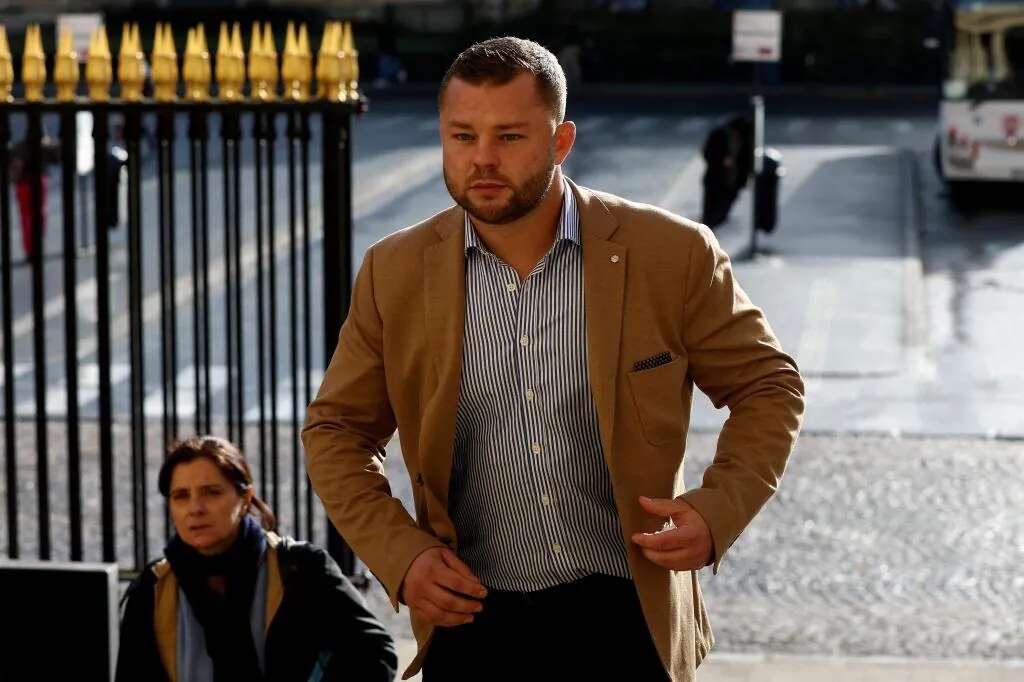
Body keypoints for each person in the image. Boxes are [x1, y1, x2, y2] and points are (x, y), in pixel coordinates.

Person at [303, 37, 804, 682]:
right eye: (461, 136)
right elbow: (336, 431)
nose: (482, 159)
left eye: (510, 137)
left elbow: (768, 385)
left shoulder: (670, 254)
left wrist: (718, 508)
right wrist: (400, 555)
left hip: (628, 617)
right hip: (473, 620)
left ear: (562, 141)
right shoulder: (393, 271)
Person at [115, 436, 398, 682]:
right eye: (181, 496)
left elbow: (375, 654)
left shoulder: (300, 568)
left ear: (245, 498)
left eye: (211, 492)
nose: (195, 508)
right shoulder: (153, 589)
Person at [701, 115, 752, 228]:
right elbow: (707, 153)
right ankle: (706, 233)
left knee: (722, 212)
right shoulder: (719, 135)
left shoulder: (746, 138)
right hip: (715, 180)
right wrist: (721, 160)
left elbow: (748, 160)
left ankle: (711, 230)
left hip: (733, 182)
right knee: (710, 212)